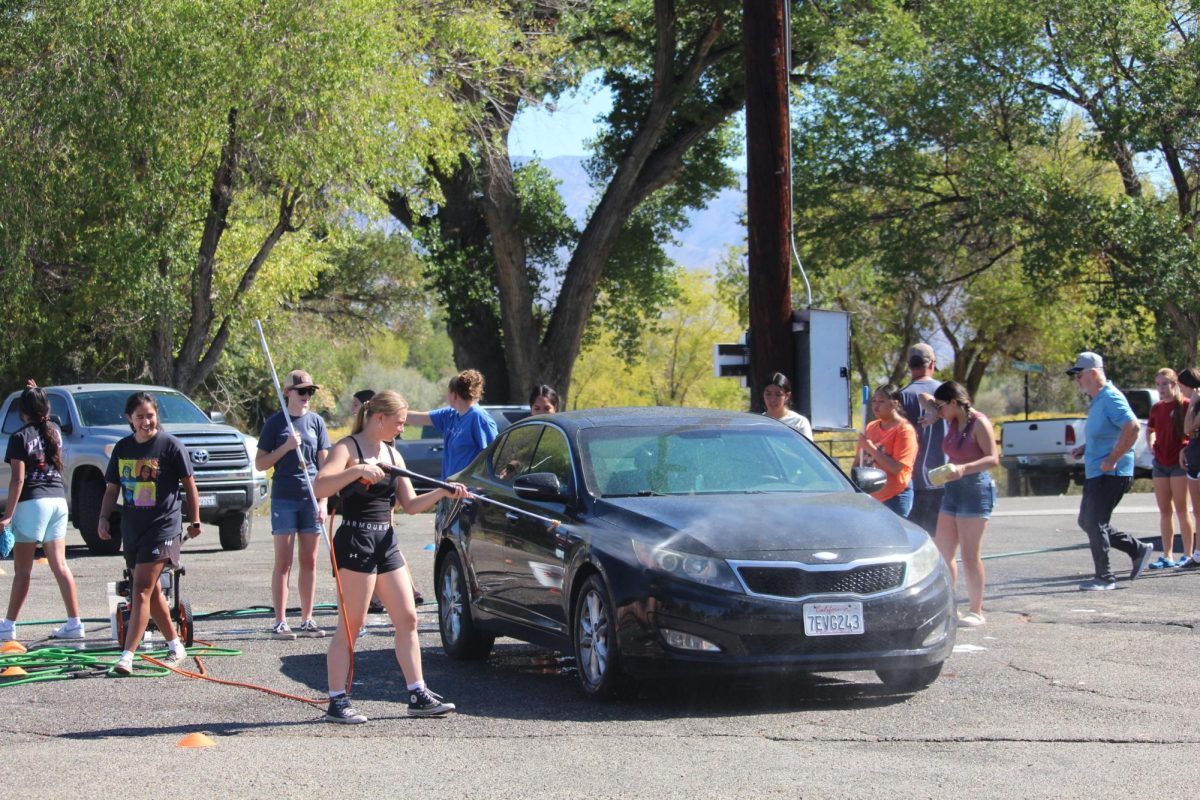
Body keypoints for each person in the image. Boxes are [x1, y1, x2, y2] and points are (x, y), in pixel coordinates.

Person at [313, 390, 468, 723]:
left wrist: (443, 491)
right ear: (380, 418)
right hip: (355, 538)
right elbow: (320, 487)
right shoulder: (347, 448)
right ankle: (337, 699)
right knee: (352, 625)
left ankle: (417, 692)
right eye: (399, 423)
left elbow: (410, 505)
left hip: (386, 539)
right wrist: (357, 472)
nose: (402, 429)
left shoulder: (393, 455)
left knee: (408, 618)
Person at [97, 392, 202, 674]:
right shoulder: (122, 448)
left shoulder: (170, 446)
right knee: (153, 592)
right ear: (130, 419)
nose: (147, 421)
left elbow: (190, 486)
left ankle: (127, 655)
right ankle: (175, 645)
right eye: (140, 416)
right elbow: (111, 489)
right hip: (134, 528)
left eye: (151, 415)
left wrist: (194, 520)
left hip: (164, 527)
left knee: (140, 589)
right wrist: (104, 518)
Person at [0, 381, 84, 643]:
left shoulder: (18, 438)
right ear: (46, 408)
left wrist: (7, 515)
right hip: (58, 501)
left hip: (32, 504)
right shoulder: (55, 431)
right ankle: (75, 623)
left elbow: (18, 480)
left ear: (21, 412)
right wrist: (38, 393)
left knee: (23, 570)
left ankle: (9, 625)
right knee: (60, 565)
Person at [1067, 352, 1155, 591]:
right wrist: (1084, 448)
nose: (1077, 381)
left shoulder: (1111, 397)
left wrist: (1112, 459)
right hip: (1097, 471)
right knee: (1087, 521)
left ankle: (1105, 578)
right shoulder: (1098, 400)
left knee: (1095, 522)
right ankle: (1137, 549)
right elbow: (1109, 432)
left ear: (1094, 373)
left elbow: (1133, 427)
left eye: (1079, 375)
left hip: (1112, 473)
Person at [256, 370, 331, 640]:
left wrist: (323, 501)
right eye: (302, 391)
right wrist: (286, 447)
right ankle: (280, 621)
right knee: (284, 562)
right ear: (287, 392)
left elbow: (325, 467)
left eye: (310, 391)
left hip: (310, 497)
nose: (307, 396)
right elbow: (261, 463)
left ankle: (308, 619)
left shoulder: (317, 423)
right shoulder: (275, 424)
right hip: (284, 497)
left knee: (309, 561)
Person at [917, 381, 998, 626]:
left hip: (975, 489)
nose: (939, 411)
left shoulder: (978, 422)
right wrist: (933, 412)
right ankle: (950, 605)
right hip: (952, 489)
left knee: (970, 555)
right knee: (943, 552)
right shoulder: (950, 418)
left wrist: (964, 468)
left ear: (954, 402)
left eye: (942, 406)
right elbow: (923, 396)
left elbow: (993, 459)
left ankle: (976, 611)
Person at [406, 369, 498, 480]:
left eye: (448, 392)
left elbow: (495, 456)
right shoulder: (449, 414)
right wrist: (387, 412)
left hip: (469, 492)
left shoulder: (479, 418)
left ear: (454, 395)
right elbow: (416, 418)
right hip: (450, 489)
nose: (446, 396)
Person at [900, 343, 947, 535]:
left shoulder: (901, 396)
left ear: (909, 365)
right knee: (943, 542)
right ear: (932, 364)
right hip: (945, 476)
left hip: (914, 480)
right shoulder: (948, 395)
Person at [1146, 368, 1192, 568]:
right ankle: (1167, 555)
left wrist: (1186, 449)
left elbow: (1193, 433)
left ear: (1175, 384)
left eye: (1165, 384)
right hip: (1160, 463)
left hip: (1179, 464)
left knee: (1182, 510)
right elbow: (1150, 430)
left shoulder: (1185, 405)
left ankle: (1188, 554)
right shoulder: (1156, 408)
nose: (1161, 388)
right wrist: (1150, 444)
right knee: (1165, 510)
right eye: (1158, 384)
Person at [855, 384, 918, 517]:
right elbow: (858, 460)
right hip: (871, 495)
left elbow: (897, 468)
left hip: (894, 497)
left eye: (881, 401)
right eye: (874, 401)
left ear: (894, 404)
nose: (876, 406)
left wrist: (871, 449)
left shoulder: (904, 430)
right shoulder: (871, 427)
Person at [1177, 367, 1200, 569]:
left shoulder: (1196, 403)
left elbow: (1187, 428)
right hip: (1195, 454)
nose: (1180, 389)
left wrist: (1192, 403)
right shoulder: (1194, 404)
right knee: (1197, 510)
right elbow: (1189, 433)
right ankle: (1198, 554)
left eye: (1181, 385)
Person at [761, 372, 813, 439]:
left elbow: (806, 448)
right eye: (768, 394)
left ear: (787, 396)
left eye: (778, 395)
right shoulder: (758, 423)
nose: (772, 399)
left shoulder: (799, 423)